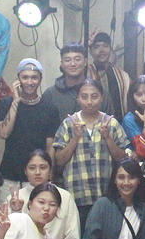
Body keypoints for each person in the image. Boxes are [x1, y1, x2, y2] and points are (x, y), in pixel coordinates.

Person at [52, 79, 130, 224]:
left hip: (106, 195)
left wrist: (107, 137)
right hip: (76, 194)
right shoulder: (69, 124)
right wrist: (75, 137)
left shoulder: (111, 123)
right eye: (84, 96)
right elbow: (59, 160)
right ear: (78, 98)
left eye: (94, 96)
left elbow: (122, 160)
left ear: (101, 98)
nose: (89, 102)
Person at [0, 58, 59, 201]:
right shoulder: (6, 103)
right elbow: (4, 133)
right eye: (25, 77)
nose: (30, 82)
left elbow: (50, 146)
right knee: (8, 214)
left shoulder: (50, 108)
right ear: (18, 79)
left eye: (34, 77)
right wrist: (16, 101)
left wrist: (49, 175)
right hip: (10, 175)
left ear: (40, 79)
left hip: (38, 176)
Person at [87, 31, 132, 118]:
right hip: (91, 122)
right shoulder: (85, 73)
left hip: (119, 123)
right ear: (91, 51)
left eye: (105, 46)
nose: (101, 50)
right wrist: (83, 46)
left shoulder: (123, 76)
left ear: (111, 49)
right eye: (96, 47)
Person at [42, 43, 88, 122]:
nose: (73, 64)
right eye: (68, 60)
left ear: (85, 62)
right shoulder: (50, 94)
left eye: (77, 59)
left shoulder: (98, 92)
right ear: (62, 63)